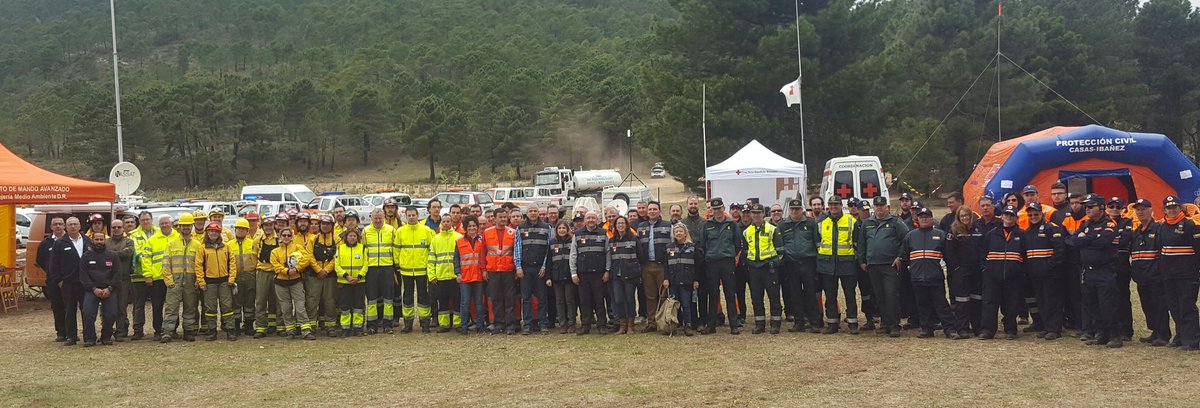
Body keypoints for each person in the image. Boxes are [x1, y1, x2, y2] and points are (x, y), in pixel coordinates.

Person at [901, 208, 960, 339]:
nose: (924, 219)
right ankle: (926, 329)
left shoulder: (940, 235)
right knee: (922, 305)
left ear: (932, 219)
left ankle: (950, 329)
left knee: (942, 305)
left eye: (926, 217)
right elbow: (904, 256)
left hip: (935, 277)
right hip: (917, 277)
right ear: (917, 219)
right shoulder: (911, 235)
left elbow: (949, 256)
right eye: (921, 217)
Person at [1075, 194, 1122, 348]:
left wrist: (1085, 239)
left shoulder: (1110, 224)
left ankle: (1115, 336)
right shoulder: (1085, 224)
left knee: (1107, 304)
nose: (1087, 209)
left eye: (1090, 206)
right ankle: (1101, 334)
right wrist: (1090, 237)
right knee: (1091, 304)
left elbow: (1104, 241)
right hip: (1087, 271)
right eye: (1086, 206)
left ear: (1101, 207)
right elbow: (1073, 241)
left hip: (1104, 270)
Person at [859, 196, 909, 336]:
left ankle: (894, 325)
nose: (879, 208)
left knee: (891, 295)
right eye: (877, 206)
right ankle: (885, 323)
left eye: (882, 206)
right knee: (879, 296)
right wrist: (862, 260)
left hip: (890, 265)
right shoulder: (867, 223)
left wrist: (900, 257)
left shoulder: (895, 222)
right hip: (873, 265)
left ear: (887, 207)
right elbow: (862, 243)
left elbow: (906, 240)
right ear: (873, 208)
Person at [1155, 195, 1200, 351]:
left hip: (1187, 275)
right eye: (1168, 207)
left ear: (1180, 208)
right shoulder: (1161, 227)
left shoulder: (1190, 225)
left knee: (1187, 306)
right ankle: (1180, 336)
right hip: (1168, 275)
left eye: (1174, 207)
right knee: (1174, 307)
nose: (1172, 210)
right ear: (1164, 210)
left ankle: (1192, 340)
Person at [1022, 203, 1067, 340]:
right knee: (1041, 301)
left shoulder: (1051, 228)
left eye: (1036, 214)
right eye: (1030, 215)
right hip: (1035, 274)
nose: (1033, 217)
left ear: (1041, 214)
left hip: (1051, 274)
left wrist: (1049, 266)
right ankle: (1046, 327)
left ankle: (1054, 329)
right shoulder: (1028, 232)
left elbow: (1060, 251)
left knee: (1052, 301)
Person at [816, 196, 861, 334]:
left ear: (842, 206)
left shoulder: (851, 221)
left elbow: (857, 244)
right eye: (831, 204)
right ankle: (832, 323)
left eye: (836, 204)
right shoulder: (821, 222)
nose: (833, 207)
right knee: (830, 296)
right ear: (828, 206)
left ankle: (852, 323)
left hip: (846, 264)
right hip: (827, 264)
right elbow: (817, 243)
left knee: (850, 295)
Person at [979, 205, 1025, 340]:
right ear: (1002, 216)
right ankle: (987, 330)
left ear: (1016, 217)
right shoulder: (991, 234)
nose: (1009, 218)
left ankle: (1010, 329)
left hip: (1013, 276)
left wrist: (1020, 271)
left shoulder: (1021, 235)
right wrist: (984, 268)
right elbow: (983, 253)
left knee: (1011, 304)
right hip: (992, 276)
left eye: (1012, 215)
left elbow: (1025, 255)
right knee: (989, 303)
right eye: (1006, 215)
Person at [699, 198, 743, 335]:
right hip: (712, 263)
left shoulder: (732, 224)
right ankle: (711, 325)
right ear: (711, 210)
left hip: (727, 262)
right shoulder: (707, 225)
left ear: (723, 208)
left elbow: (737, 244)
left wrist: (729, 255)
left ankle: (733, 325)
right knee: (713, 294)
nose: (717, 212)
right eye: (714, 209)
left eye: (719, 209)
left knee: (730, 294)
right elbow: (703, 244)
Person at [1129, 199, 1168, 346]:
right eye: (1138, 209)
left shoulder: (1158, 229)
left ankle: (1163, 334)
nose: (1140, 212)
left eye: (1144, 209)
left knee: (1159, 305)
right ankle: (1155, 331)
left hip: (1155, 276)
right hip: (1141, 276)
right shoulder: (1137, 232)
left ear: (1151, 210)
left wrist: (1158, 271)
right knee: (1147, 306)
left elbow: (1162, 253)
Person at [778, 198, 821, 333]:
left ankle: (814, 322)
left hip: (808, 263)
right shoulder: (783, 225)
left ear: (802, 210)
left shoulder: (810, 223)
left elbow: (817, 242)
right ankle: (799, 322)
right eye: (792, 209)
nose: (795, 211)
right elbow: (780, 245)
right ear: (789, 210)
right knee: (794, 294)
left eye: (797, 209)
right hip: (791, 264)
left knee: (810, 293)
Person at [161, 213, 201, 343]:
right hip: (175, 280)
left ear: (192, 226)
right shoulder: (171, 244)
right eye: (183, 225)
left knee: (190, 307)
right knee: (171, 308)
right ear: (179, 227)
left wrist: (197, 281)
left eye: (188, 225)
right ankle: (167, 332)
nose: (186, 228)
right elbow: (166, 263)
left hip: (191, 280)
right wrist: (169, 280)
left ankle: (188, 332)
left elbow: (200, 265)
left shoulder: (197, 245)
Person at [742, 204, 783, 334]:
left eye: (758, 213)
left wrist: (774, 263)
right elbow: (745, 250)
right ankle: (760, 324)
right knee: (756, 297)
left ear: (763, 214)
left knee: (774, 296)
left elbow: (781, 251)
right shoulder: (746, 231)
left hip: (769, 268)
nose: (756, 215)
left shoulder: (773, 229)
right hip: (754, 269)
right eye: (753, 213)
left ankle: (775, 324)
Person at [50, 217, 91, 346]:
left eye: (75, 224)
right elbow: (54, 265)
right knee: (69, 310)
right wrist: (59, 281)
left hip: (85, 283)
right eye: (70, 225)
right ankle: (71, 336)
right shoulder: (60, 243)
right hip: (68, 284)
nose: (73, 227)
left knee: (87, 310)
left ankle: (89, 336)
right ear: (66, 228)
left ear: (80, 226)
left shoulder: (87, 241)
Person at [196, 221, 238, 341]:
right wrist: (201, 282)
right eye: (210, 231)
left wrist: (231, 279)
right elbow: (198, 266)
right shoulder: (202, 248)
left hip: (225, 281)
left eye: (215, 231)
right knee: (210, 308)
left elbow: (232, 264)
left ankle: (230, 330)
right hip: (209, 282)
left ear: (219, 233)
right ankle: (212, 330)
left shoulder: (227, 247)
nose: (213, 233)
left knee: (227, 307)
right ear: (207, 232)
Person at [271, 227, 315, 340]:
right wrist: (286, 271)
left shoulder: (298, 248)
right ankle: (290, 330)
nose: (286, 237)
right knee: (285, 307)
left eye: (289, 235)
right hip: (280, 282)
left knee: (300, 306)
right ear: (280, 237)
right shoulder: (275, 252)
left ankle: (305, 330)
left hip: (296, 281)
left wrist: (297, 269)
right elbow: (275, 265)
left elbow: (307, 259)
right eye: (284, 235)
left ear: (292, 237)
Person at [395, 206, 434, 333]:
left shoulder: (426, 230)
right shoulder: (400, 231)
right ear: (405, 216)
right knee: (407, 297)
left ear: (418, 216)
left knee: (423, 297)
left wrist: (429, 266)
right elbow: (396, 249)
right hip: (406, 271)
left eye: (413, 215)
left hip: (422, 270)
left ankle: (425, 322)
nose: (411, 217)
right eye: (409, 215)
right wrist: (398, 264)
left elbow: (431, 250)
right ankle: (408, 323)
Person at [946, 207, 984, 337]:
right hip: (961, 271)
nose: (965, 218)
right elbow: (949, 252)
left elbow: (983, 248)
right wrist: (956, 268)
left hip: (977, 271)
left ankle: (977, 327)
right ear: (958, 217)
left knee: (977, 300)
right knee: (962, 301)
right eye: (962, 216)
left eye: (967, 215)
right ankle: (963, 328)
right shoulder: (953, 231)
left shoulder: (978, 229)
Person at [571, 211, 610, 335]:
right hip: (583, 274)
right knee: (584, 300)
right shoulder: (577, 234)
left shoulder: (604, 234)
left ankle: (601, 325)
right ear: (584, 220)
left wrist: (607, 271)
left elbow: (608, 253)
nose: (591, 220)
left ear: (597, 219)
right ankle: (585, 325)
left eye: (593, 218)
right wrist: (574, 273)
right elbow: (573, 255)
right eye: (588, 218)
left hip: (599, 273)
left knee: (599, 300)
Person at [79, 231, 120, 346]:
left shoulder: (113, 256)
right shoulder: (86, 256)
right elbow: (83, 275)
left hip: (109, 290)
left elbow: (117, 274)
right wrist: (93, 289)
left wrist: (110, 288)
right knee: (87, 313)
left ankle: (106, 337)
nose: (99, 242)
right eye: (96, 239)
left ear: (105, 240)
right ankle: (90, 338)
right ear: (92, 240)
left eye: (101, 239)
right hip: (92, 290)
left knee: (111, 314)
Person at [636, 201, 671, 333]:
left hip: (662, 266)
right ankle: (651, 322)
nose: (652, 211)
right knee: (650, 296)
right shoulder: (641, 226)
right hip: (646, 266)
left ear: (659, 210)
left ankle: (663, 322)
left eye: (654, 209)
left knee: (663, 295)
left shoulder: (668, 226)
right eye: (650, 209)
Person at [514, 206, 550, 334]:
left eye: (535, 211)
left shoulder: (546, 227)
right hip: (525, 268)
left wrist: (545, 266)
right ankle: (528, 324)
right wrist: (518, 267)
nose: (533, 213)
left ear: (538, 213)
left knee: (542, 297)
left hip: (540, 268)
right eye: (531, 211)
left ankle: (543, 323)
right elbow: (517, 248)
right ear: (527, 213)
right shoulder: (520, 228)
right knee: (526, 297)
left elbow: (549, 250)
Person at [139, 215, 175, 341]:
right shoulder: (152, 240)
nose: (164, 225)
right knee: (157, 306)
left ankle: (172, 330)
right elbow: (146, 259)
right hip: (157, 278)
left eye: (166, 223)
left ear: (171, 224)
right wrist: (148, 275)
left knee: (172, 306)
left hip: (173, 277)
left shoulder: (178, 237)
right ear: (159, 225)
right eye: (162, 223)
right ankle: (158, 330)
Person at [484, 208, 518, 335]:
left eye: (505, 217)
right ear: (494, 218)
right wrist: (484, 270)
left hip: (508, 270)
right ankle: (499, 324)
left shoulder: (513, 232)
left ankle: (510, 325)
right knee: (496, 298)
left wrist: (516, 269)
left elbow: (516, 252)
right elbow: (483, 252)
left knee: (510, 298)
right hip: (493, 270)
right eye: (501, 217)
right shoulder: (487, 233)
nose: (503, 219)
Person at [1105, 197, 1135, 341]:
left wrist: (1104, 239)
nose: (1114, 209)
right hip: (1106, 265)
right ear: (1107, 207)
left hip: (1122, 265)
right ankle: (1111, 329)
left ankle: (1126, 330)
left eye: (1118, 206)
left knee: (1123, 298)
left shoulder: (1127, 222)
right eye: (1111, 206)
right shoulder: (1102, 221)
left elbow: (1125, 240)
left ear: (1122, 209)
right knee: (1108, 299)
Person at [126, 211, 159, 341]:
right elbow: (137, 252)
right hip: (138, 275)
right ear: (139, 221)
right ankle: (138, 330)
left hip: (156, 275)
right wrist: (147, 260)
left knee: (157, 304)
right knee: (138, 305)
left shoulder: (159, 233)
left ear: (151, 220)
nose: (145, 222)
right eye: (143, 220)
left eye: (147, 219)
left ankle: (158, 330)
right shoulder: (134, 235)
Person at [663, 223, 700, 336]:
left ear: (685, 233)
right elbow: (666, 265)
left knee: (686, 304)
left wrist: (696, 280)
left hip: (687, 281)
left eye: (680, 231)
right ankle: (672, 326)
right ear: (674, 234)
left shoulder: (692, 247)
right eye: (676, 232)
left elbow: (697, 265)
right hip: (673, 281)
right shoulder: (669, 247)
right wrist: (666, 279)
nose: (678, 233)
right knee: (673, 305)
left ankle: (688, 325)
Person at [363, 209, 396, 334]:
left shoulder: (391, 230)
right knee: (371, 298)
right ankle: (372, 325)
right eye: (375, 218)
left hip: (387, 267)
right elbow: (363, 249)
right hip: (371, 269)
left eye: (380, 218)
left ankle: (388, 324)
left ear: (384, 218)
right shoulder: (365, 231)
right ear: (371, 218)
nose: (378, 221)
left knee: (388, 297)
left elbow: (395, 248)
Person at [306, 214, 339, 336]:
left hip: (330, 276)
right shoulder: (313, 239)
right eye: (323, 224)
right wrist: (318, 270)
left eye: (328, 224)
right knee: (312, 300)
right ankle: (311, 325)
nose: (325, 226)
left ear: (332, 225)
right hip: (314, 275)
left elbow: (337, 257)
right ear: (319, 225)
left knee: (330, 300)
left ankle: (330, 326)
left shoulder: (337, 239)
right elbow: (309, 255)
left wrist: (327, 270)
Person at [455, 216, 488, 335]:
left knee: (479, 302)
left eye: (474, 225)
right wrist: (457, 273)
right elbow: (456, 259)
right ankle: (464, 326)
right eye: (470, 226)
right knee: (465, 302)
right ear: (465, 228)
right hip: (465, 276)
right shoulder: (459, 241)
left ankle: (480, 326)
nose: (472, 228)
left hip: (479, 276)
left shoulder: (482, 240)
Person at [608, 216, 641, 335]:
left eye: (623, 223)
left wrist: (638, 273)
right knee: (618, 300)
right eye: (618, 223)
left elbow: (640, 257)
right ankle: (622, 325)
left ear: (627, 225)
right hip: (616, 275)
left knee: (630, 299)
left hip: (630, 275)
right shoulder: (611, 241)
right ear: (615, 226)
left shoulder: (633, 239)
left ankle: (631, 326)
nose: (621, 225)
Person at [429, 217, 463, 332]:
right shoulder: (435, 239)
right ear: (441, 223)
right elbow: (431, 259)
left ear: (452, 222)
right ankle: (444, 324)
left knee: (457, 301)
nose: (446, 223)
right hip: (441, 276)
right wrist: (432, 275)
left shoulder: (458, 237)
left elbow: (461, 258)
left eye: (448, 221)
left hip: (455, 276)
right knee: (442, 302)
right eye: (444, 221)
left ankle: (458, 324)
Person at [546, 220, 578, 334]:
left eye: (564, 228)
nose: (562, 230)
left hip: (569, 276)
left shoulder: (573, 241)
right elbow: (549, 261)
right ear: (556, 230)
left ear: (568, 229)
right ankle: (562, 323)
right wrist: (548, 277)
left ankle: (571, 323)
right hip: (556, 277)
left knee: (570, 300)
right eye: (559, 228)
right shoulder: (552, 242)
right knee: (559, 301)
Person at [38, 217, 67, 342]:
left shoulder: (71, 240)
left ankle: (72, 332)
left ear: (64, 226)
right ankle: (61, 332)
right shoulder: (46, 243)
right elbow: (40, 260)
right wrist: (52, 273)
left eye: (60, 224)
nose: (58, 226)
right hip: (53, 282)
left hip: (70, 281)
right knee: (57, 307)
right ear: (51, 227)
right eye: (55, 224)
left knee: (70, 307)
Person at [253, 215, 283, 338]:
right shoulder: (258, 240)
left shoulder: (280, 239)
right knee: (261, 301)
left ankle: (279, 327)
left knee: (277, 301)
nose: (268, 227)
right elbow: (254, 256)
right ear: (262, 226)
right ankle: (261, 328)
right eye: (266, 225)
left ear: (274, 225)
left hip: (277, 272)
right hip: (263, 272)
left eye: (270, 225)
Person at [335, 229, 368, 337]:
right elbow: (337, 265)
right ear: (346, 237)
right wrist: (346, 276)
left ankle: (357, 328)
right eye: (350, 236)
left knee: (358, 305)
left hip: (359, 282)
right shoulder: (340, 248)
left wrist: (358, 277)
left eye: (354, 236)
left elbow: (365, 264)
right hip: (344, 282)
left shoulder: (363, 248)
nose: (352, 238)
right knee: (345, 306)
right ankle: (345, 328)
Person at [229, 219, 259, 336]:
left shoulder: (252, 243)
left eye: (243, 229)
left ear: (247, 231)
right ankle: (236, 325)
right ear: (235, 230)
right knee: (235, 302)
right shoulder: (229, 245)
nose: (240, 231)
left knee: (249, 301)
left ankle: (249, 325)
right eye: (238, 229)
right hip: (235, 276)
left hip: (250, 276)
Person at [106, 219, 134, 341]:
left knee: (122, 306)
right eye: (114, 227)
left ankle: (121, 330)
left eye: (119, 227)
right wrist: (116, 253)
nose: (116, 229)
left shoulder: (129, 241)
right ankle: (107, 329)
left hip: (124, 279)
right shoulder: (106, 242)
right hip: (108, 279)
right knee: (108, 306)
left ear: (123, 228)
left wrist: (110, 254)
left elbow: (126, 254)